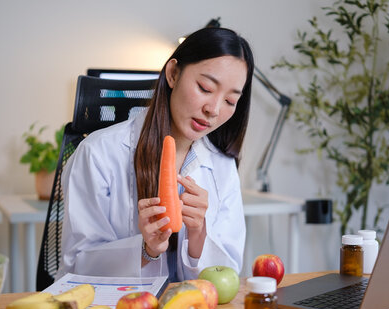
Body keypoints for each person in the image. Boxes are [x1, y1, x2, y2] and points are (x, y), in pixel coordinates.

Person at [58, 27, 254, 282]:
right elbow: (77, 265)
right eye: (205, 88)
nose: (214, 110)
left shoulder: (221, 165)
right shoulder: (98, 154)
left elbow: (229, 273)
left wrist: (198, 237)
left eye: (230, 101)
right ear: (173, 74)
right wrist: (144, 250)